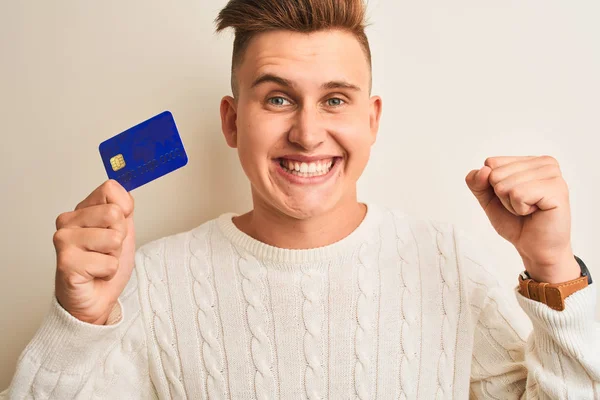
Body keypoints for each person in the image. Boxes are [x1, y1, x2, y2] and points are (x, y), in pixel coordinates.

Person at [2, 0, 599, 398]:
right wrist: (78, 326)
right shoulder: (150, 284)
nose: (309, 133)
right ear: (232, 122)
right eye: (278, 99)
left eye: (335, 100)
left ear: (372, 120)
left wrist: (554, 271)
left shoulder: (447, 264)